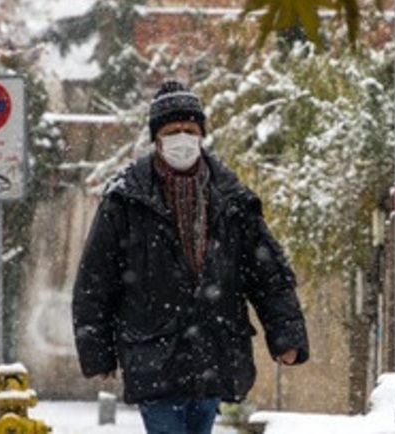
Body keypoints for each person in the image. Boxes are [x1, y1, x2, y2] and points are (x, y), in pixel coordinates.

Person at [72, 80, 310, 434]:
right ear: (156, 139)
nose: (182, 138)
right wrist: (98, 351)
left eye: (190, 130)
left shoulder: (232, 198)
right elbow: (95, 279)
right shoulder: (125, 199)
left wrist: (286, 336)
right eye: (172, 130)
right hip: (153, 352)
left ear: (201, 134)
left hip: (213, 351)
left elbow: (268, 272)